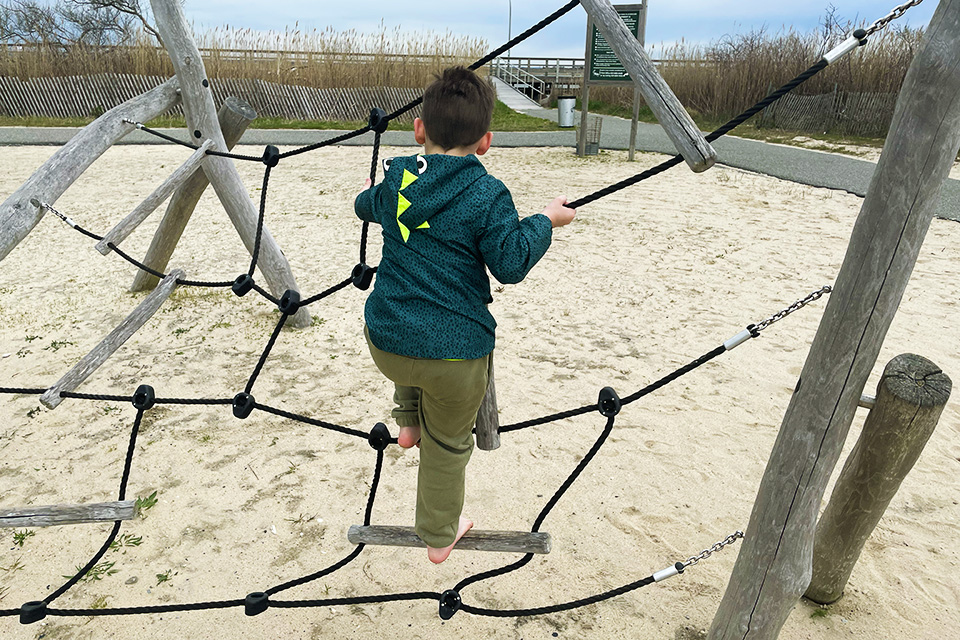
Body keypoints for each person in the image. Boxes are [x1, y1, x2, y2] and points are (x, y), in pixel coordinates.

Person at [354, 66, 575, 563]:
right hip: (454, 359)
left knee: (411, 319)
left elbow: (364, 205)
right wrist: (546, 220)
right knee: (450, 443)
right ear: (485, 142)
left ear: (419, 129)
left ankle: (407, 422)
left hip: (385, 341)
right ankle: (439, 534)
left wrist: (371, 191)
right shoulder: (486, 194)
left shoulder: (396, 180)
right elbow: (511, 262)